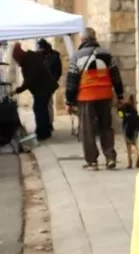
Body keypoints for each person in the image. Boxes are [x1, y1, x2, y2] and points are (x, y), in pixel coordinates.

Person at [65, 27, 124, 170]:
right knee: (106, 127)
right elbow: (116, 76)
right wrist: (120, 95)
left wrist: (69, 101)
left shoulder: (77, 56)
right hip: (105, 95)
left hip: (86, 97)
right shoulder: (107, 55)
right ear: (95, 38)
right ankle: (110, 157)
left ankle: (92, 161)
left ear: (82, 40)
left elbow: (72, 81)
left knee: (87, 129)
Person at [13, 42, 58, 141]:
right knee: (42, 109)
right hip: (44, 87)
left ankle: (43, 132)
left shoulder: (29, 61)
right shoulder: (30, 57)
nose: (17, 62)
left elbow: (29, 80)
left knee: (39, 109)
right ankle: (45, 131)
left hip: (43, 88)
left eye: (17, 60)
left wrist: (18, 90)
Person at [37, 38, 62, 124]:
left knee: (48, 103)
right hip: (40, 84)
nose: (39, 50)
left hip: (49, 83)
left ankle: (49, 123)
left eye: (40, 48)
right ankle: (44, 123)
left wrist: (53, 81)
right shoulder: (38, 55)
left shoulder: (54, 56)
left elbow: (58, 71)